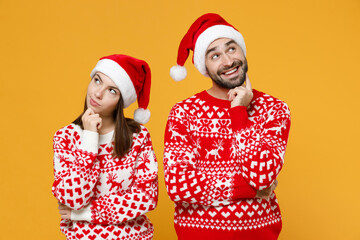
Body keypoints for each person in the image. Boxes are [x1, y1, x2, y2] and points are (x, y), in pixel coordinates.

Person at [164, 13, 291, 240]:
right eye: (215, 55)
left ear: (242, 51)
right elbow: (177, 185)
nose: (227, 61)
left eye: (232, 49)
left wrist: (239, 111)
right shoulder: (183, 113)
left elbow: (262, 175)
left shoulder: (273, 109)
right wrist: (250, 189)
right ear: (204, 65)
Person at [52, 54, 158, 240]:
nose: (98, 93)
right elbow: (74, 199)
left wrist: (85, 213)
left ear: (121, 100)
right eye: (97, 80)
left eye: (112, 90)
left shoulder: (139, 137)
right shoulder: (65, 137)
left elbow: (147, 197)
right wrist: (90, 138)